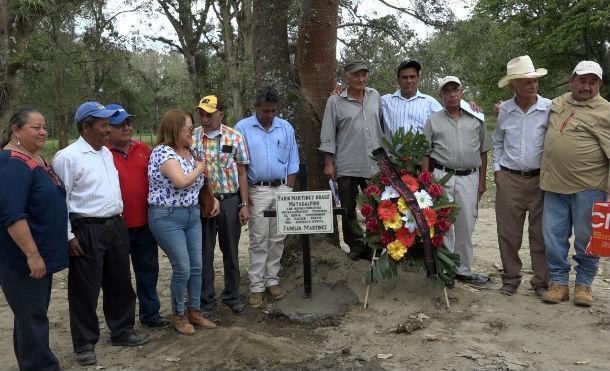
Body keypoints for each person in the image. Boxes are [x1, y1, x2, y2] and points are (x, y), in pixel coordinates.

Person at [52, 101, 148, 366]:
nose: (109, 130)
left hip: (115, 225)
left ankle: (122, 330)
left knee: (120, 282)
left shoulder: (106, 153)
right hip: (87, 228)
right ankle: (84, 343)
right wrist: (68, 236)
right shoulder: (68, 157)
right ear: (86, 127)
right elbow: (60, 201)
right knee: (85, 288)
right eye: (104, 125)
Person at [0, 109, 68, 371]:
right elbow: (12, 214)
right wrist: (32, 254)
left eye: (44, 127)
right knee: (33, 316)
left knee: (29, 315)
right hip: (22, 260)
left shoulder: (33, 157)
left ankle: (33, 363)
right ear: (15, 130)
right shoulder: (11, 164)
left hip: (39, 254)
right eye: (35, 127)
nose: (43, 132)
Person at [539, 61, 610, 307]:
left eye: (593, 82)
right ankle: (558, 283)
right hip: (554, 185)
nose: (587, 86)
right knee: (553, 237)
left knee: (587, 238)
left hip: (590, 189)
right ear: (572, 81)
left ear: (599, 84)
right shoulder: (558, 103)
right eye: (582, 80)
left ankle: (584, 285)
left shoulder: (606, 112)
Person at [147, 109, 217, 334]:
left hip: (192, 215)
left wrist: (211, 199)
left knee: (197, 266)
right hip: (167, 217)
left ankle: (194, 311)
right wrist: (200, 167)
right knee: (183, 268)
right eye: (188, 130)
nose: (192, 134)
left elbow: (200, 183)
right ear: (175, 129)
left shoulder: (190, 150)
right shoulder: (162, 153)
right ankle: (178, 314)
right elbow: (181, 181)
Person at [422, 76, 491, 285]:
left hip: (469, 176)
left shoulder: (476, 118)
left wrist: (481, 182)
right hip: (442, 177)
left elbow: (484, 151)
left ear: (462, 92)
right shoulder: (434, 120)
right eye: (447, 91)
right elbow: (426, 153)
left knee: (466, 222)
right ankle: (446, 268)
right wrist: (426, 181)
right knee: (444, 224)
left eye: (455, 90)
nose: (452, 94)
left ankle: (463, 269)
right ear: (441, 96)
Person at [235, 86, 299, 308]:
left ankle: (272, 280)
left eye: (273, 111)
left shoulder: (285, 128)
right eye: (265, 111)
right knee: (258, 239)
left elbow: (293, 161)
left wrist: (288, 190)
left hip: (282, 188)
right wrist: (244, 194)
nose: (270, 115)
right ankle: (256, 286)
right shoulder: (242, 128)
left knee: (278, 238)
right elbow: (238, 165)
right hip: (257, 190)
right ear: (256, 107)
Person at [492, 56, 551, 297]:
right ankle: (510, 278)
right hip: (509, 179)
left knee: (541, 234)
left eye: (534, 80)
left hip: (541, 180)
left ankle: (541, 281)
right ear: (512, 85)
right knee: (508, 233)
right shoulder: (504, 110)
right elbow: (497, 140)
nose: (532, 84)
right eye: (525, 81)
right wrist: (497, 170)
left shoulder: (549, 107)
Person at [106, 104, 167, 327]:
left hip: (144, 223)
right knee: (119, 278)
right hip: (117, 226)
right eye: (119, 125)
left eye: (128, 123)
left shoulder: (144, 149)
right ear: (108, 129)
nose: (126, 128)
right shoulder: (103, 153)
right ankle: (124, 324)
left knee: (148, 271)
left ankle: (150, 315)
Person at [320, 61, 384, 261]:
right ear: (346, 77)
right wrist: (328, 163)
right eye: (356, 75)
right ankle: (356, 245)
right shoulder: (335, 101)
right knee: (348, 209)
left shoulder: (375, 97)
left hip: (373, 164)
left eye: (364, 75)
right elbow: (328, 133)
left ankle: (374, 243)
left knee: (375, 207)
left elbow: (381, 125)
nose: (361, 79)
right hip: (346, 163)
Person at [193, 95, 250, 317]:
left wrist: (244, 204)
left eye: (209, 114)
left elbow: (243, 173)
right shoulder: (193, 137)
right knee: (204, 251)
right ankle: (206, 300)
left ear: (221, 114)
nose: (205, 119)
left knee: (231, 251)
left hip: (229, 201)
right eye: (202, 114)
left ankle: (232, 295)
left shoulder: (235, 137)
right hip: (203, 201)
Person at [381, 60, 443, 134]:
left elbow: (445, 124)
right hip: (392, 146)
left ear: (418, 78)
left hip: (422, 146)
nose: (409, 81)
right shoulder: (385, 102)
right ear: (398, 80)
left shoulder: (430, 103)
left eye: (412, 77)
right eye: (404, 77)